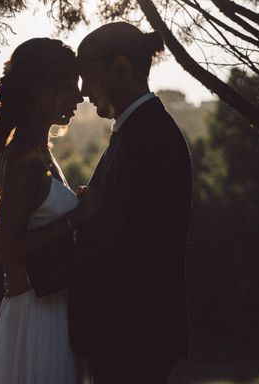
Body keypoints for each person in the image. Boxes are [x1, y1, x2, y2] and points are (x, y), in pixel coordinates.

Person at [22, 22, 192, 383]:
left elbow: (123, 244)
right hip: (126, 331)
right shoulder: (137, 132)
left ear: (120, 68)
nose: (82, 92)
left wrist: (31, 277)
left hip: (133, 332)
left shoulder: (150, 139)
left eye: (87, 76)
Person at [0, 37, 98, 384]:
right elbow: (6, 249)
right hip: (37, 313)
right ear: (42, 90)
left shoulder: (41, 150)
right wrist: (77, 216)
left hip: (50, 302)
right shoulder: (26, 155)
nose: (79, 96)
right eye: (71, 87)